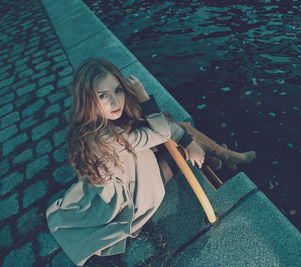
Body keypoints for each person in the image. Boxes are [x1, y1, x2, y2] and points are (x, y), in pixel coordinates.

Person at [46, 58, 255, 265]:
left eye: (118, 90)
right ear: (88, 100)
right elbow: (163, 132)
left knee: (181, 132)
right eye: (103, 96)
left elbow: (162, 129)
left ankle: (220, 158)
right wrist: (144, 96)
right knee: (182, 138)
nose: (115, 102)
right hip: (136, 193)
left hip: (132, 169)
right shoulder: (106, 139)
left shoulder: (92, 125)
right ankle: (225, 157)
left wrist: (184, 138)